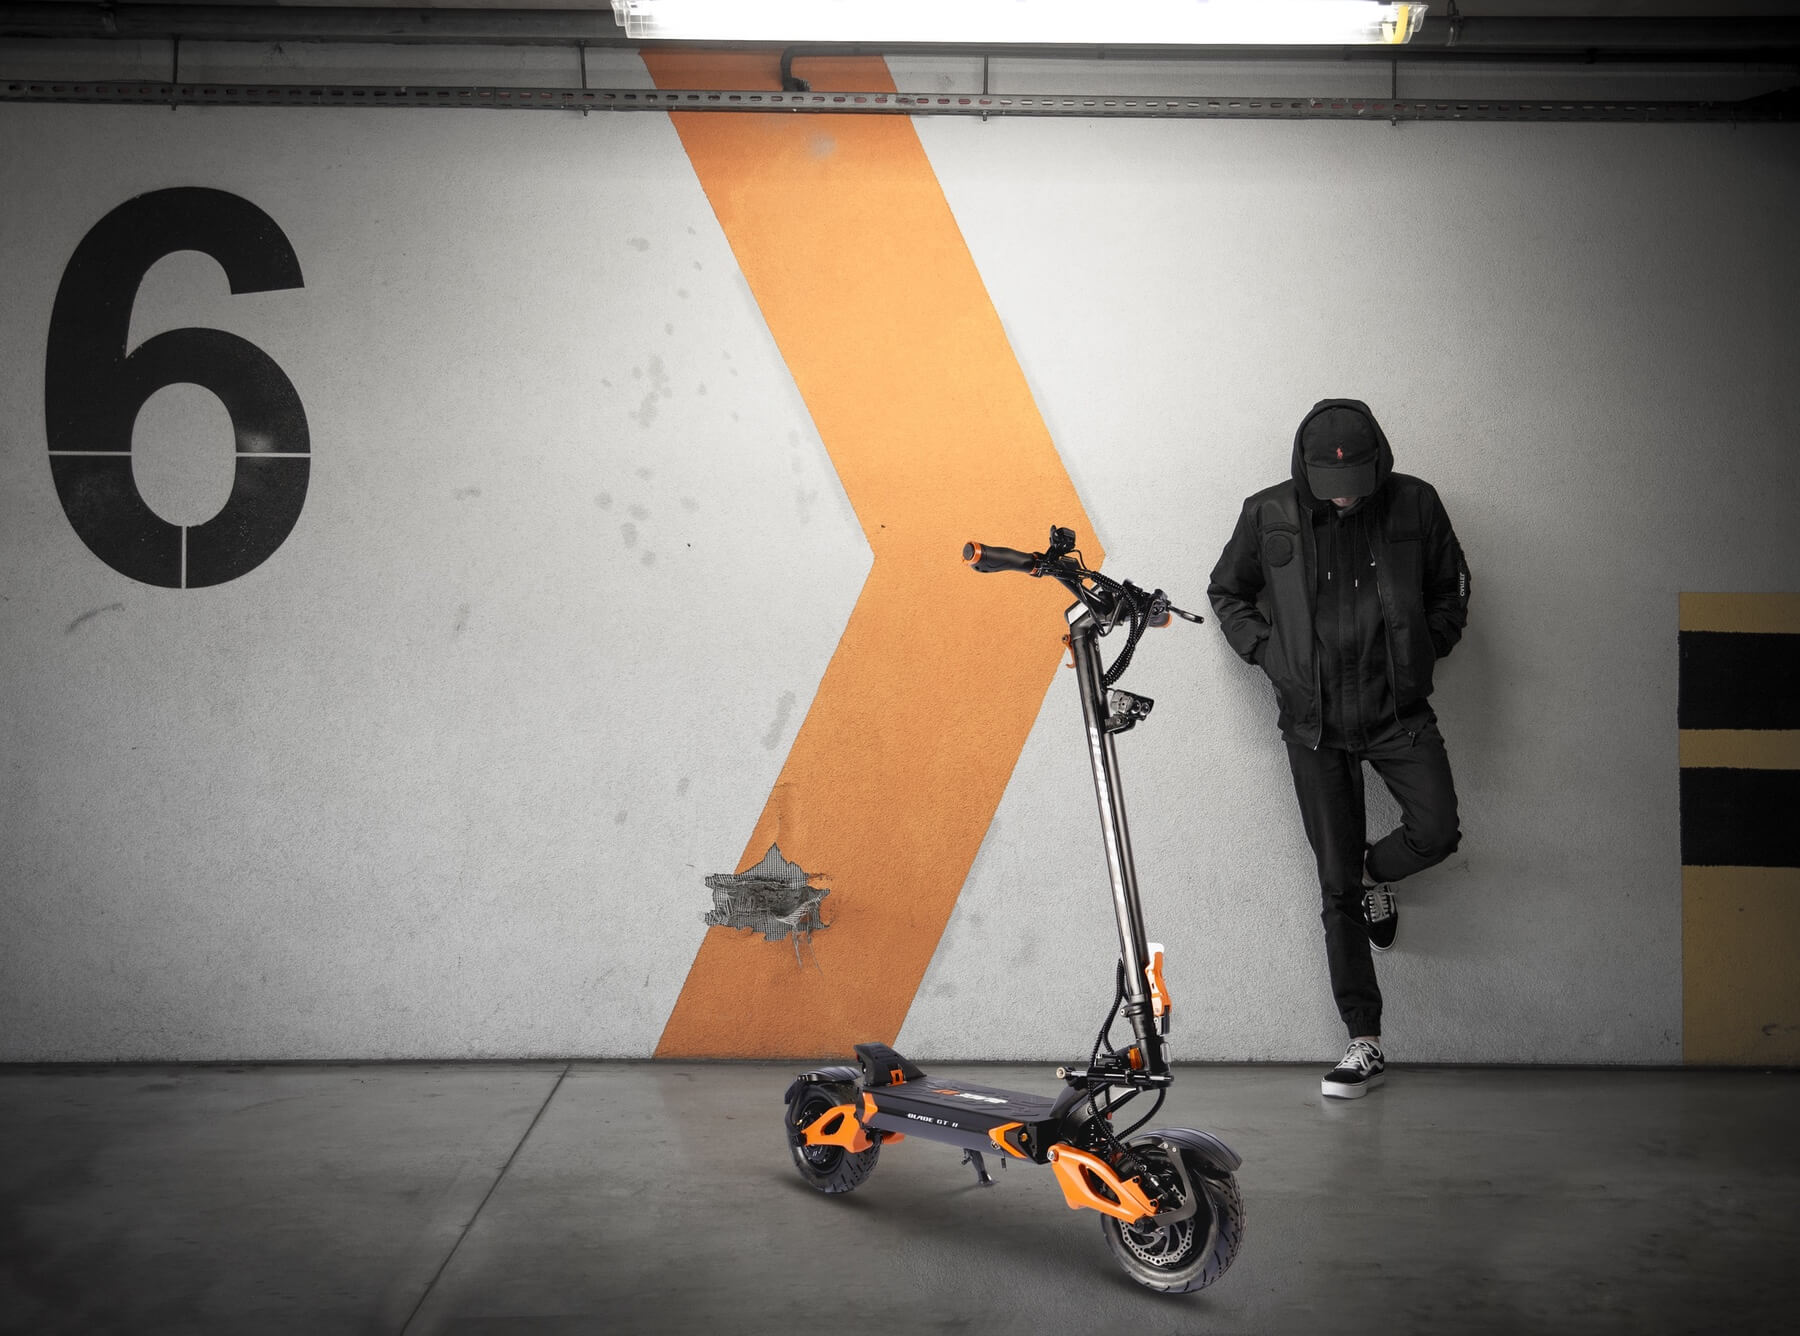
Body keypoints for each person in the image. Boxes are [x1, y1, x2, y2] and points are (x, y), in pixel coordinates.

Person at [1208, 399, 1471, 1099]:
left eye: (1356, 481)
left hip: (1397, 710)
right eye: (1330, 484)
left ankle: (1374, 874)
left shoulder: (1416, 504)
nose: (1345, 495)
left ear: (1380, 462)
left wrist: (1427, 646)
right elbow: (1227, 591)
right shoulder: (1268, 514)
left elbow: (1451, 588)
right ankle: (1364, 1040)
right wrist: (1272, 655)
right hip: (1313, 721)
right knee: (1334, 890)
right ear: (1306, 469)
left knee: (1436, 831)